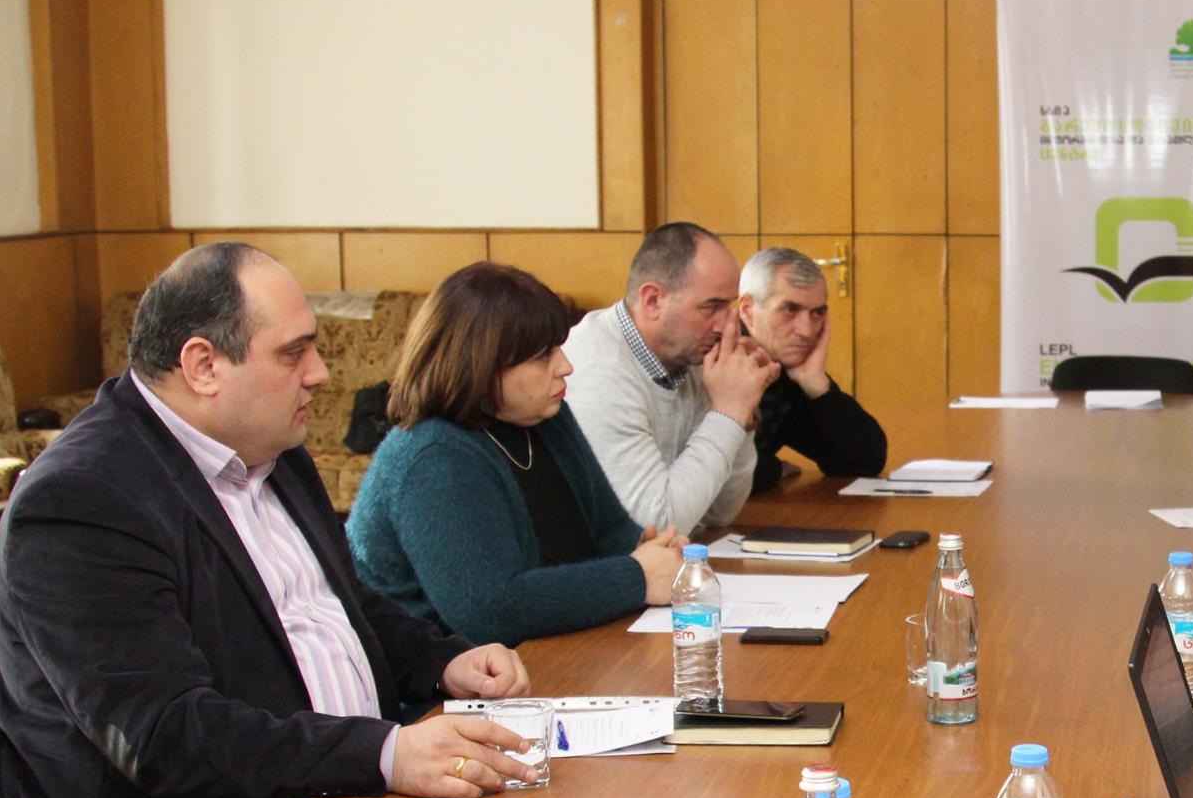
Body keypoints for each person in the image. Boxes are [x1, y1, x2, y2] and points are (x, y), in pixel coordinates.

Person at [0, 243, 535, 798]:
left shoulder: (272, 451)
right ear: (203, 365)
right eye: (293, 353)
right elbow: (167, 736)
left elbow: (343, 602)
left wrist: (443, 662)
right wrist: (386, 753)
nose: (321, 372)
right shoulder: (81, 502)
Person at [346, 262, 689, 647]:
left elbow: (609, 530)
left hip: (540, 651)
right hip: (436, 670)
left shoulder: (544, 416)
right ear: (481, 365)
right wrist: (637, 577)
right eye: (543, 356)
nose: (566, 366)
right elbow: (489, 611)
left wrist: (651, 552)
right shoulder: (433, 457)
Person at [563, 221, 777, 534]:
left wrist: (743, 413)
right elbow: (652, 528)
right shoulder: (601, 373)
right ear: (653, 300)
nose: (725, 327)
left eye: (728, 306)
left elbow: (719, 512)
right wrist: (729, 412)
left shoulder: (690, 356)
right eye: (711, 307)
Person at [737, 247, 887, 491]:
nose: (806, 331)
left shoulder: (787, 370)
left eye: (816, 313)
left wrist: (817, 385)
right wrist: (772, 469)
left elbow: (863, 462)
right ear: (747, 310)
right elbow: (707, 471)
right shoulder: (709, 360)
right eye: (790, 310)